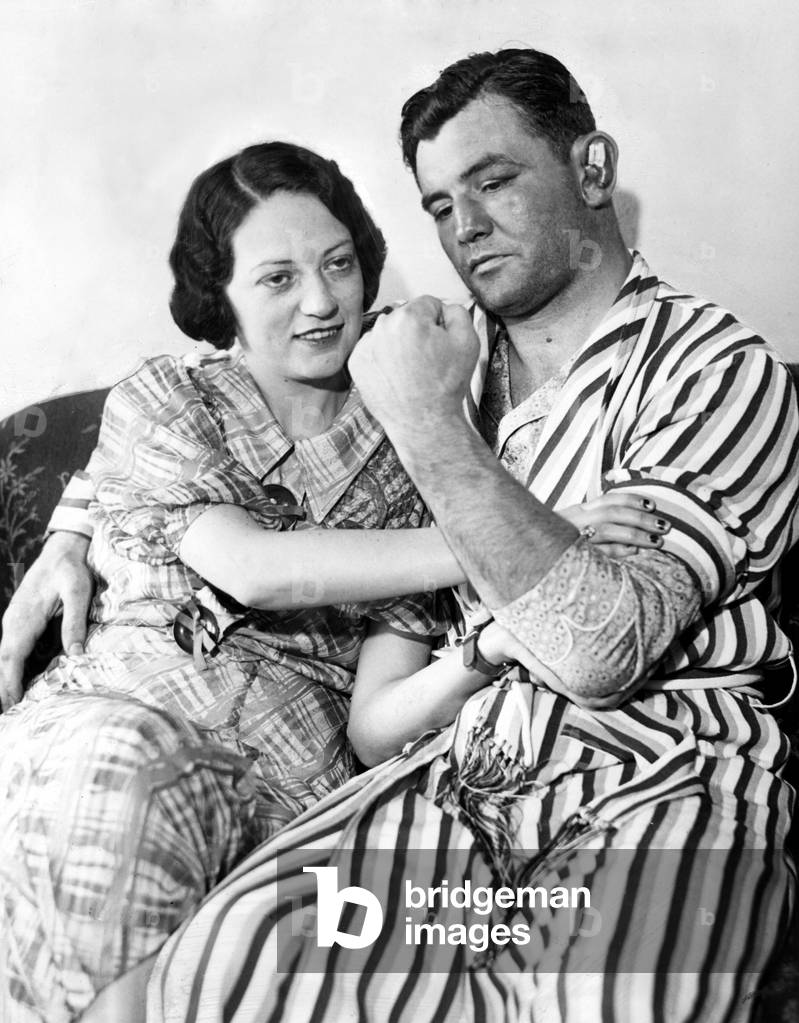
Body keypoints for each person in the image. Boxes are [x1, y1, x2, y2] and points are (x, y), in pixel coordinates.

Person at [122, 48, 796, 1023]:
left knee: (605, 1000)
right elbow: (369, 706)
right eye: (439, 205)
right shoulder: (435, 368)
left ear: (591, 169)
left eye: (493, 181)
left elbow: (600, 646)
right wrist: (78, 526)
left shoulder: (713, 371)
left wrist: (429, 429)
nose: (464, 227)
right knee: (224, 971)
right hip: (456, 787)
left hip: (650, 782)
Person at [0, 139, 661, 1023]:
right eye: (276, 279)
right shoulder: (166, 399)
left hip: (284, 797)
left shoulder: (420, 439)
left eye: (339, 264)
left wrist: (492, 625)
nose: (321, 302)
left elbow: (382, 712)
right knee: (114, 781)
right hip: (103, 734)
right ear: (219, 297)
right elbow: (251, 567)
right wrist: (531, 537)